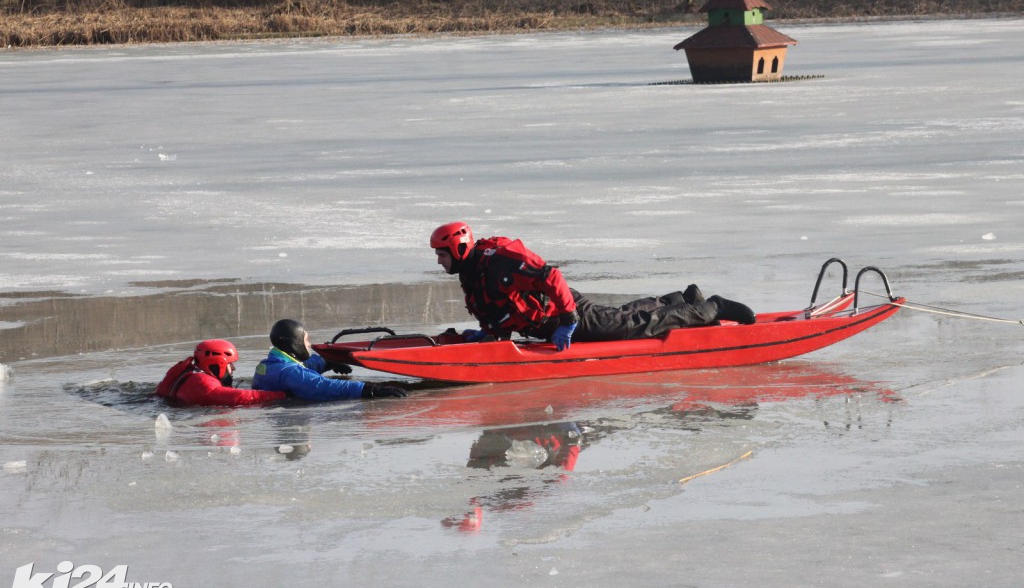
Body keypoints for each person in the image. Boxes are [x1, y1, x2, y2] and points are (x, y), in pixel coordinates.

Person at [430, 221, 755, 351]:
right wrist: (488, 335)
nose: (439, 261)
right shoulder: (473, 271)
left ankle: (712, 306)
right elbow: (501, 307)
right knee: (619, 316)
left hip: (564, 314)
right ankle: (679, 299)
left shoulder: (496, 265)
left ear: (458, 250)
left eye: (441, 255)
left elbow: (551, 277)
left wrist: (569, 322)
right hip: (552, 321)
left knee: (633, 328)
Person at [252, 319, 408, 400]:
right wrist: (368, 389)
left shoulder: (269, 365)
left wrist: (326, 362)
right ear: (295, 343)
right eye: (306, 340)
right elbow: (323, 386)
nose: (309, 344)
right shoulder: (289, 373)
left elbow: (303, 368)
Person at [156, 339, 287, 406]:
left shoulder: (190, 372)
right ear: (218, 363)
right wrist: (280, 395)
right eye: (230, 364)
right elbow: (237, 397)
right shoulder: (203, 384)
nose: (233, 368)